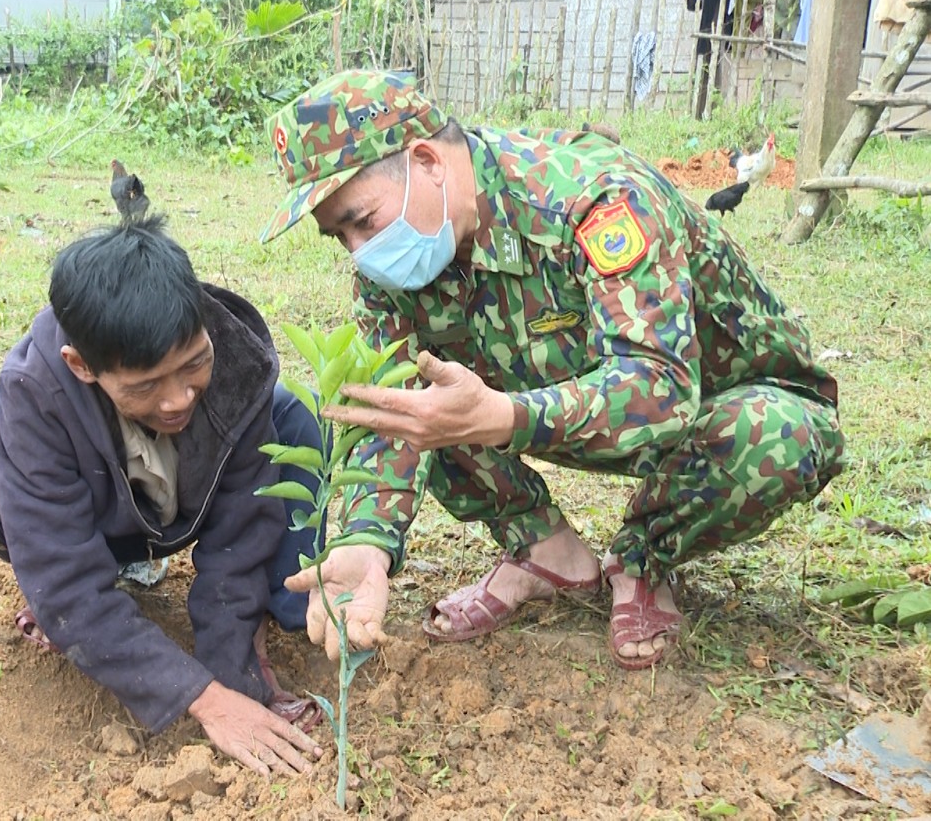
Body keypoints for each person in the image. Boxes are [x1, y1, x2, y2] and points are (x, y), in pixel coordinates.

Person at [260, 69, 843, 670]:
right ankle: (545, 551)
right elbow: (391, 405)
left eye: (364, 220)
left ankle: (643, 556)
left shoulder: (595, 199)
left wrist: (503, 415)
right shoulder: (390, 267)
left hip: (717, 406)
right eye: (339, 237)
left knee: (780, 437)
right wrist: (367, 540)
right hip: (554, 407)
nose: (360, 252)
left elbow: (661, 387)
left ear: (429, 161)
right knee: (418, 408)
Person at [0, 216, 323, 776]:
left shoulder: (233, 355)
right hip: (98, 517)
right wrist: (208, 701)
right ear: (82, 366)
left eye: (193, 365)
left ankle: (281, 609)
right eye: (145, 386)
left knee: (291, 414)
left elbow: (243, 523)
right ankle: (100, 586)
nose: (178, 397)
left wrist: (234, 670)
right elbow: (67, 587)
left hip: (189, 506)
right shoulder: (35, 390)